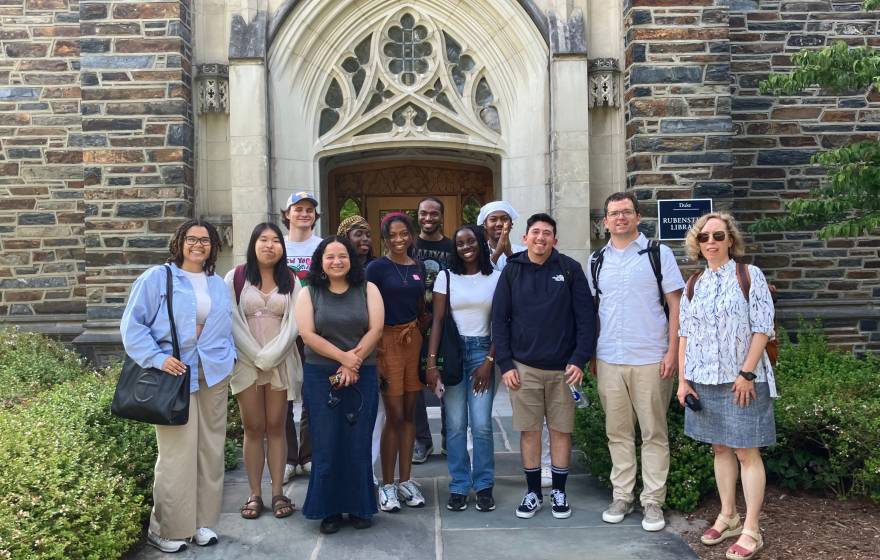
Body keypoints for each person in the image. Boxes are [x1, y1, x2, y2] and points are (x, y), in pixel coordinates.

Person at [120, 219, 235, 553]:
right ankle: (166, 527)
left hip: (212, 377)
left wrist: (228, 360)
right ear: (180, 242)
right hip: (174, 377)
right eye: (192, 238)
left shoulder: (216, 284)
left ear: (214, 247)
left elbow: (224, 328)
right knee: (176, 457)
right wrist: (157, 359)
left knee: (210, 453)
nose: (198, 245)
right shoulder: (158, 277)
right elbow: (133, 325)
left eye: (206, 240)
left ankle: (201, 523)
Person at [677, 212, 776, 560]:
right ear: (697, 243)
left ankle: (751, 529)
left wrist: (747, 373)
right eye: (704, 237)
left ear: (730, 240)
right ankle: (728, 515)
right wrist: (682, 380)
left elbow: (763, 327)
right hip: (704, 380)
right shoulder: (695, 284)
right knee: (720, 449)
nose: (711, 242)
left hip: (743, 381)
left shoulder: (750, 276)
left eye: (719, 236)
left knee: (747, 451)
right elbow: (684, 334)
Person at [587, 192, 685, 532]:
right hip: (610, 358)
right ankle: (622, 495)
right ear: (605, 221)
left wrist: (673, 352)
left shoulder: (659, 254)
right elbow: (595, 310)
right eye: (613, 213)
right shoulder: (596, 260)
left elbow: (676, 306)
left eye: (626, 212)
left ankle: (653, 501)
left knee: (654, 432)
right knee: (618, 433)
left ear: (637, 217)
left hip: (651, 358)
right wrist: (593, 356)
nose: (620, 218)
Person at [491, 213, 595, 520]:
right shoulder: (512, 271)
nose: (540, 237)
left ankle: (560, 491)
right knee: (530, 432)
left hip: (565, 370)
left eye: (547, 233)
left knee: (562, 431)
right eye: (535, 232)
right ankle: (534, 492)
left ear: (555, 240)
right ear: (525, 238)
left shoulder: (570, 269)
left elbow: (586, 319)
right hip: (524, 369)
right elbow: (499, 320)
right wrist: (506, 364)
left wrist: (579, 359)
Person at [295, 236, 384, 534]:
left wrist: (353, 362)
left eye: (342, 256)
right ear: (320, 261)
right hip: (321, 375)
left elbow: (376, 329)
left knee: (358, 441)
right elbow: (308, 335)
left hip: (363, 374)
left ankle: (361, 507)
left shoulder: (367, 289)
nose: (337, 261)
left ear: (352, 259)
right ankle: (328, 509)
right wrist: (344, 359)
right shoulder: (309, 293)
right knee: (327, 441)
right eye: (330, 256)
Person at [224, 223, 301, 520]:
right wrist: (256, 356)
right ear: (254, 244)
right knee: (253, 427)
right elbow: (231, 319)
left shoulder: (291, 280)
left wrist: (271, 356)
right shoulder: (236, 277)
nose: (270, 245)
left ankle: (278, 491)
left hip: (280, 361)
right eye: (263, 240)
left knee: (277, 426)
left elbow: (295, 323)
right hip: (246, 362)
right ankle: (254, 493)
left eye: (275, 240)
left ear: (282, 247)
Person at [425, 224, 501, 512]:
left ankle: (483, 485)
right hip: (455, 354)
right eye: (460, 243)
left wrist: (489, 361)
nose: (466, 246)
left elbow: (502, 323)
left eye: (471, 241)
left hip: (484, 351)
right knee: (455, 425)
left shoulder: (496, 277)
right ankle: (458, 485)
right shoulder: (446, 277)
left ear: (481, 243)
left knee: (481, 425)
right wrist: (432, 363)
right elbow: (438, 321)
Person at [479, 201, 552, 488]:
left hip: (518, 343)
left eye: (505, 220)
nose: (499, 225)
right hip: (483, 341)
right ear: (484, 223)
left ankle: (545, 464)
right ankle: (479, 464)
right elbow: (487, 269)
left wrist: (508, 245)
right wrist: (502, 245)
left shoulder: (524, 252)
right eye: (494, 220)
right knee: (480, 407)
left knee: (537, 411)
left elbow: (516, 267)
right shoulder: (472, 249)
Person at [366, 212, 428, 512]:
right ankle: (387, 484)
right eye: (393, 235)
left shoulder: (417, 267)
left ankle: (406, 480)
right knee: (393, 413)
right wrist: (374, 352)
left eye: (404, 233)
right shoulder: (376, 268)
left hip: (412, 340)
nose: (400, 239)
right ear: (385, 239)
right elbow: (368, 310)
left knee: (409, 413)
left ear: (411, 235)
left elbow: (420, 307)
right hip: (386, 341)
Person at [281, 190, 322, 481]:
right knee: (283, 392)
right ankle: (287, 457)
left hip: (316, 328)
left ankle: (307, 455)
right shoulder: (277, 246)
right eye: (298, 208)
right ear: (287, 215)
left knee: (312, 391)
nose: (304, 214)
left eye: (309, 209)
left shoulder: (322, 247)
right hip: (282, 327)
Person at [337, 215, 382, 481]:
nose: (364, 239)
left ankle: (368, 470)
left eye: (367, 234)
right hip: (338, 352)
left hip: (371, 352)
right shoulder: (335, 271)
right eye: (358, 234)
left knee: (373, 415)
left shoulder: (376, 269)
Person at [413, 197, 455, 463]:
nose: (428, 218)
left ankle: (450, 438)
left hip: (446, 323)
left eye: (434, 214)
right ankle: (422, 441)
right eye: (423, 213)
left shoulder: (452, 247)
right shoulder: (408, 245)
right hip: (415, 324)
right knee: (416, 383)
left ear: (441, 216)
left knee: (447, 379)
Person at [477, 201, 525, 271]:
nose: (499, 224)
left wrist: (509, 254)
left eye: (504, 219)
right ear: (485, 225)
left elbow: (525, 276)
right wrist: (497, 253)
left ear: (511, 224)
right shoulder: (477, 253)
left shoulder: (523, 252)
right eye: (493, 219)